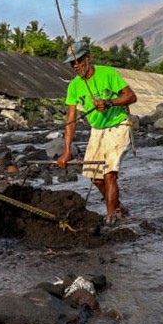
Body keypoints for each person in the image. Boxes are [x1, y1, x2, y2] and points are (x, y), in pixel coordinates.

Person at [56, 43, 137, 225]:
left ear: (89, 58)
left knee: (109, 174)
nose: (76, 66)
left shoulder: (108, 73)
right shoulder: (74, 86)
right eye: (72, 64)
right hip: (97, 130)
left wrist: (110, 102)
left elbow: (131, 96)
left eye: (79, 61)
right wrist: (67, 150)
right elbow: (71, 119)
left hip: (118, 125)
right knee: (96, 178)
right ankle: (117, 207)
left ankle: (110, 219)